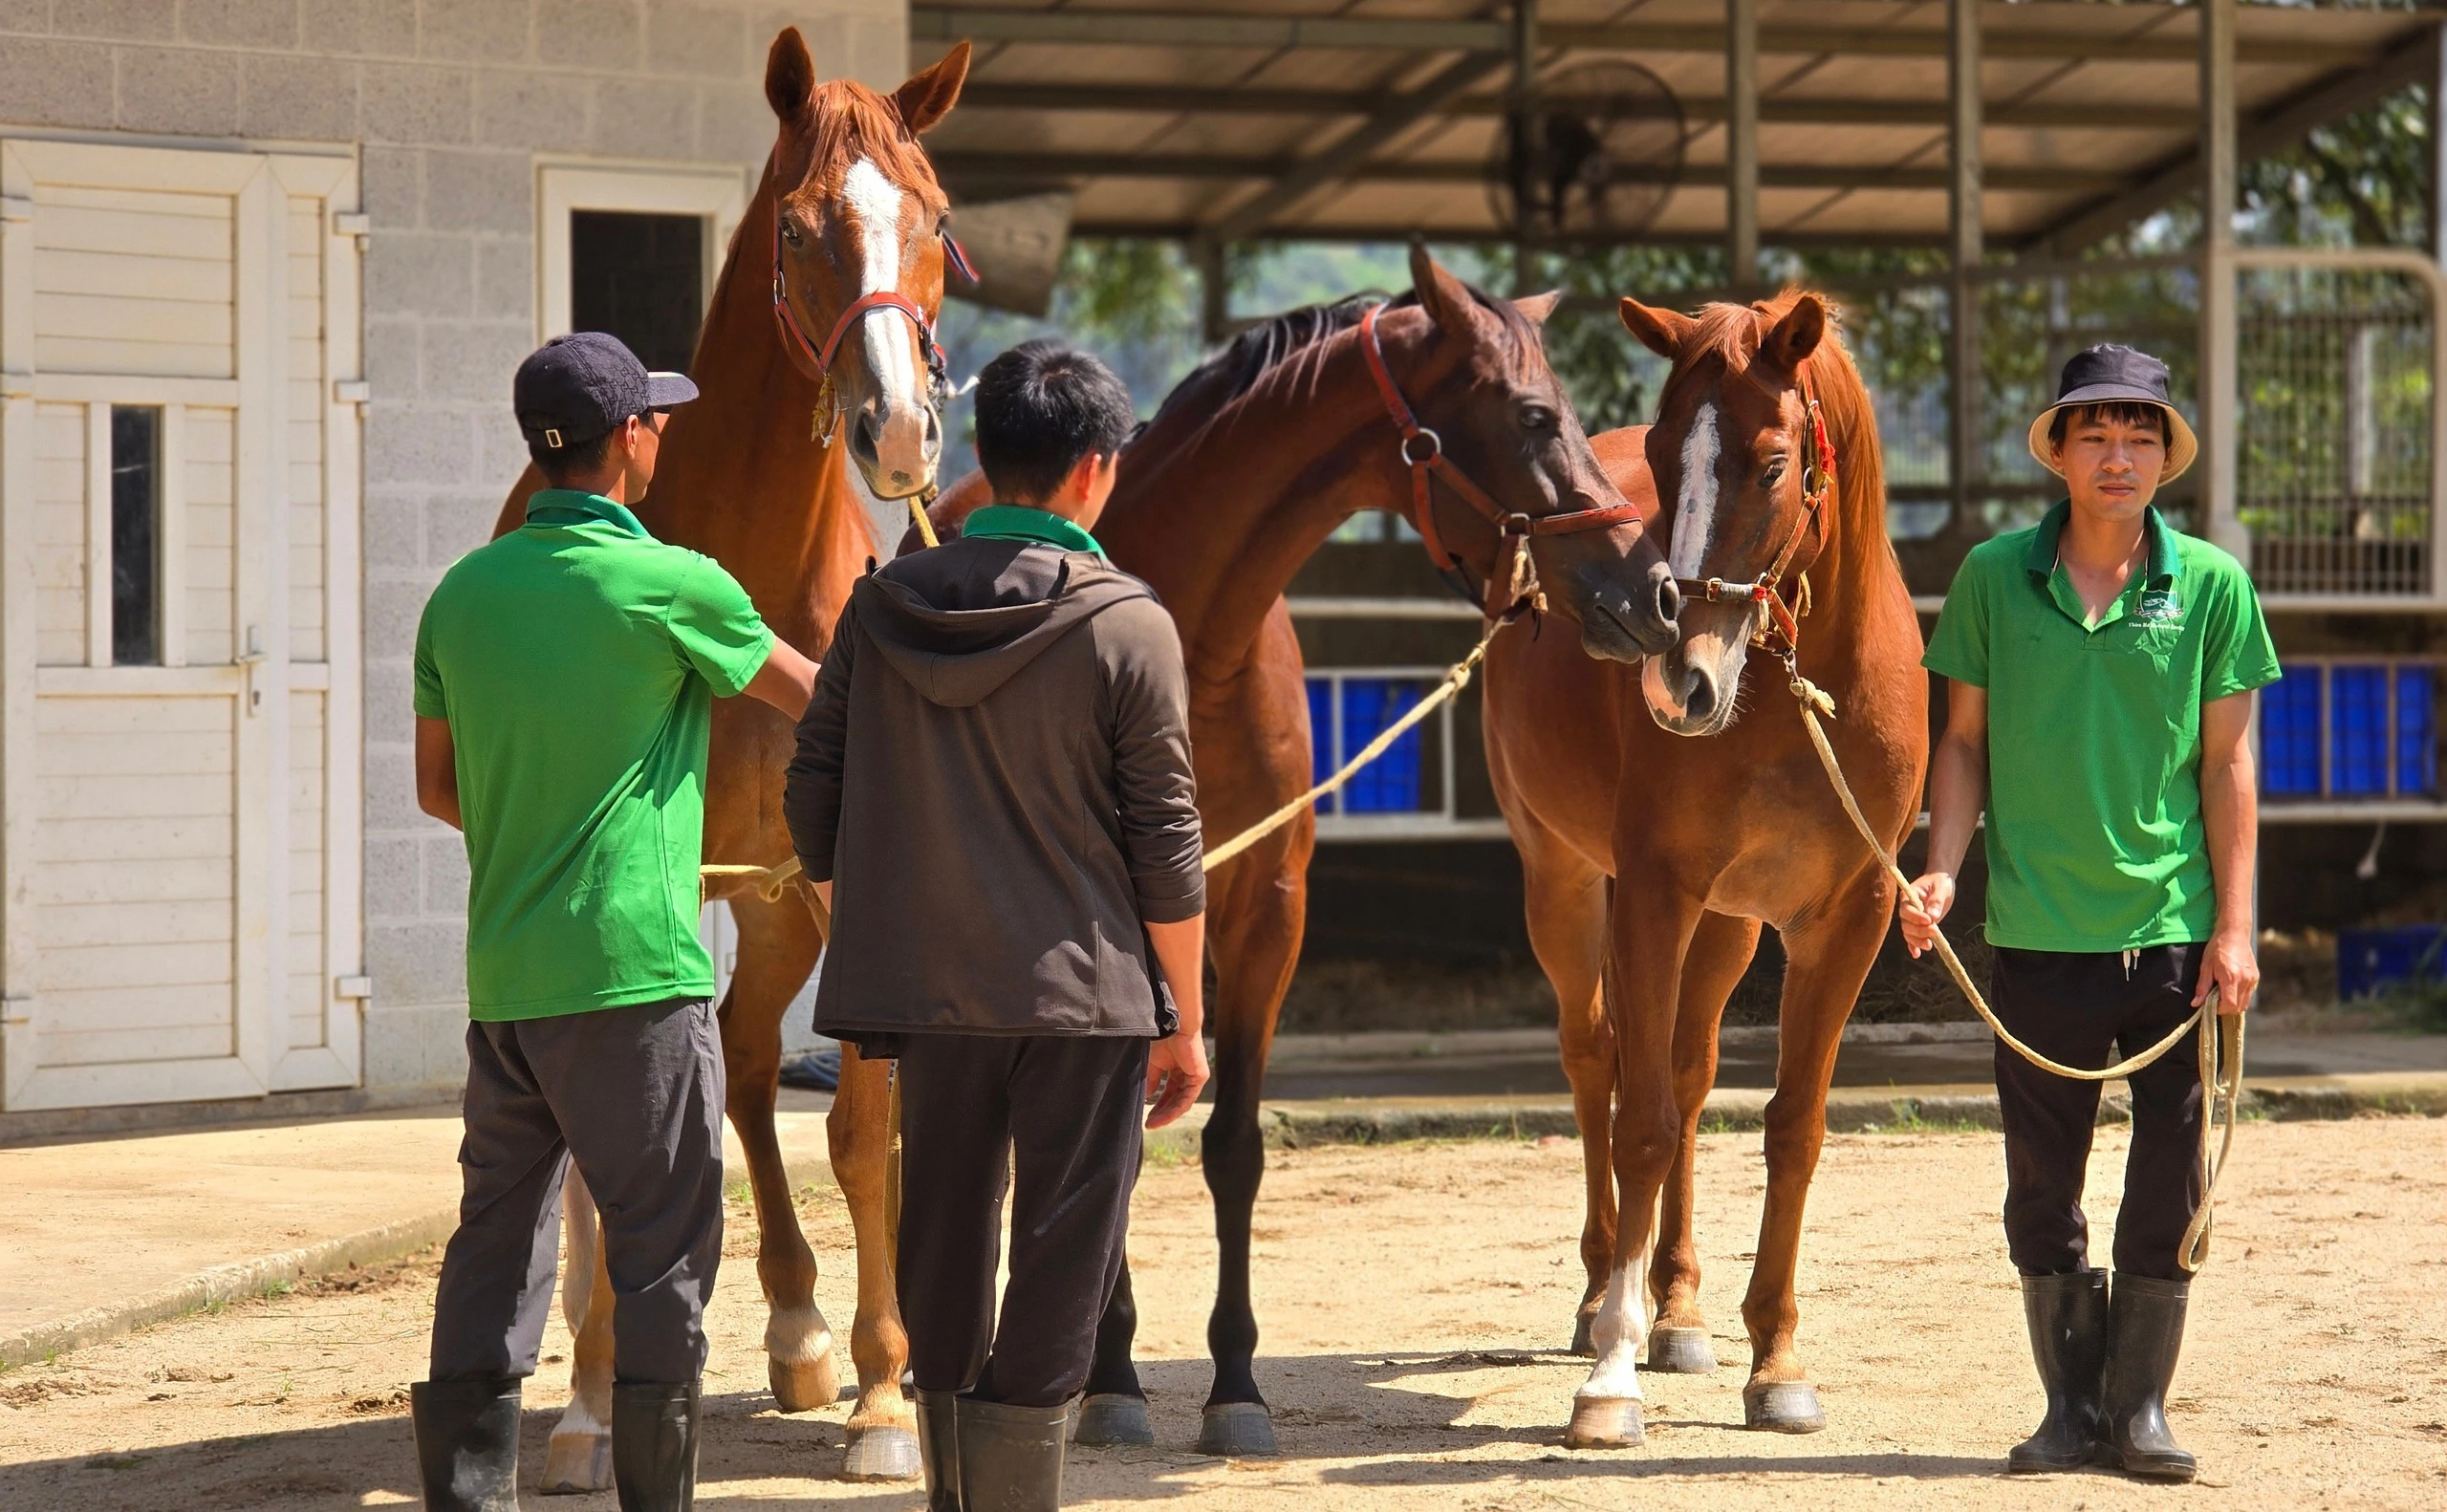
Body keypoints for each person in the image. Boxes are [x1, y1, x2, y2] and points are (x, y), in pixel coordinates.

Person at [784, 339, 1209, 1512]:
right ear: (1095, 472)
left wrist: (892, 903)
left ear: (986, 459)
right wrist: (1185, 1018)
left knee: (942, 1235)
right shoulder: (1129, 625)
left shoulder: (879, 607)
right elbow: (1166, 847)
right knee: (1065, 1253)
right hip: (1086, 999)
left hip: (926, 993)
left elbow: (807, 801)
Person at [410, 332, 818, 1512]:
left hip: (507, 983)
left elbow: (440, 791)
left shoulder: (462, 592)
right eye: (656, 419)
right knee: (663, 1253)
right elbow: (818, 698)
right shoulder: (675, 582)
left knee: (493, 1241)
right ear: (631, 438)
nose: (663, 436)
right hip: (635, 980)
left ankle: (470, 1497)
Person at [1900, 344, 2278, 1483]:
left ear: (2166, 454)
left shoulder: (2211, 585)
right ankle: (2066, 1410)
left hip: (2170, 933)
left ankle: (2139, 1408)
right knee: (2040, 1177)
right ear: (2058, 452)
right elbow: (1959, 741)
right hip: (2031, 931)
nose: (2120, 456)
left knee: (2172, 1173)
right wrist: (1943, 871)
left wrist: (2235, 927)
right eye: (2097, 435)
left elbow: (2228, 767)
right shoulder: (1989, 578)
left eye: (2142, 435)